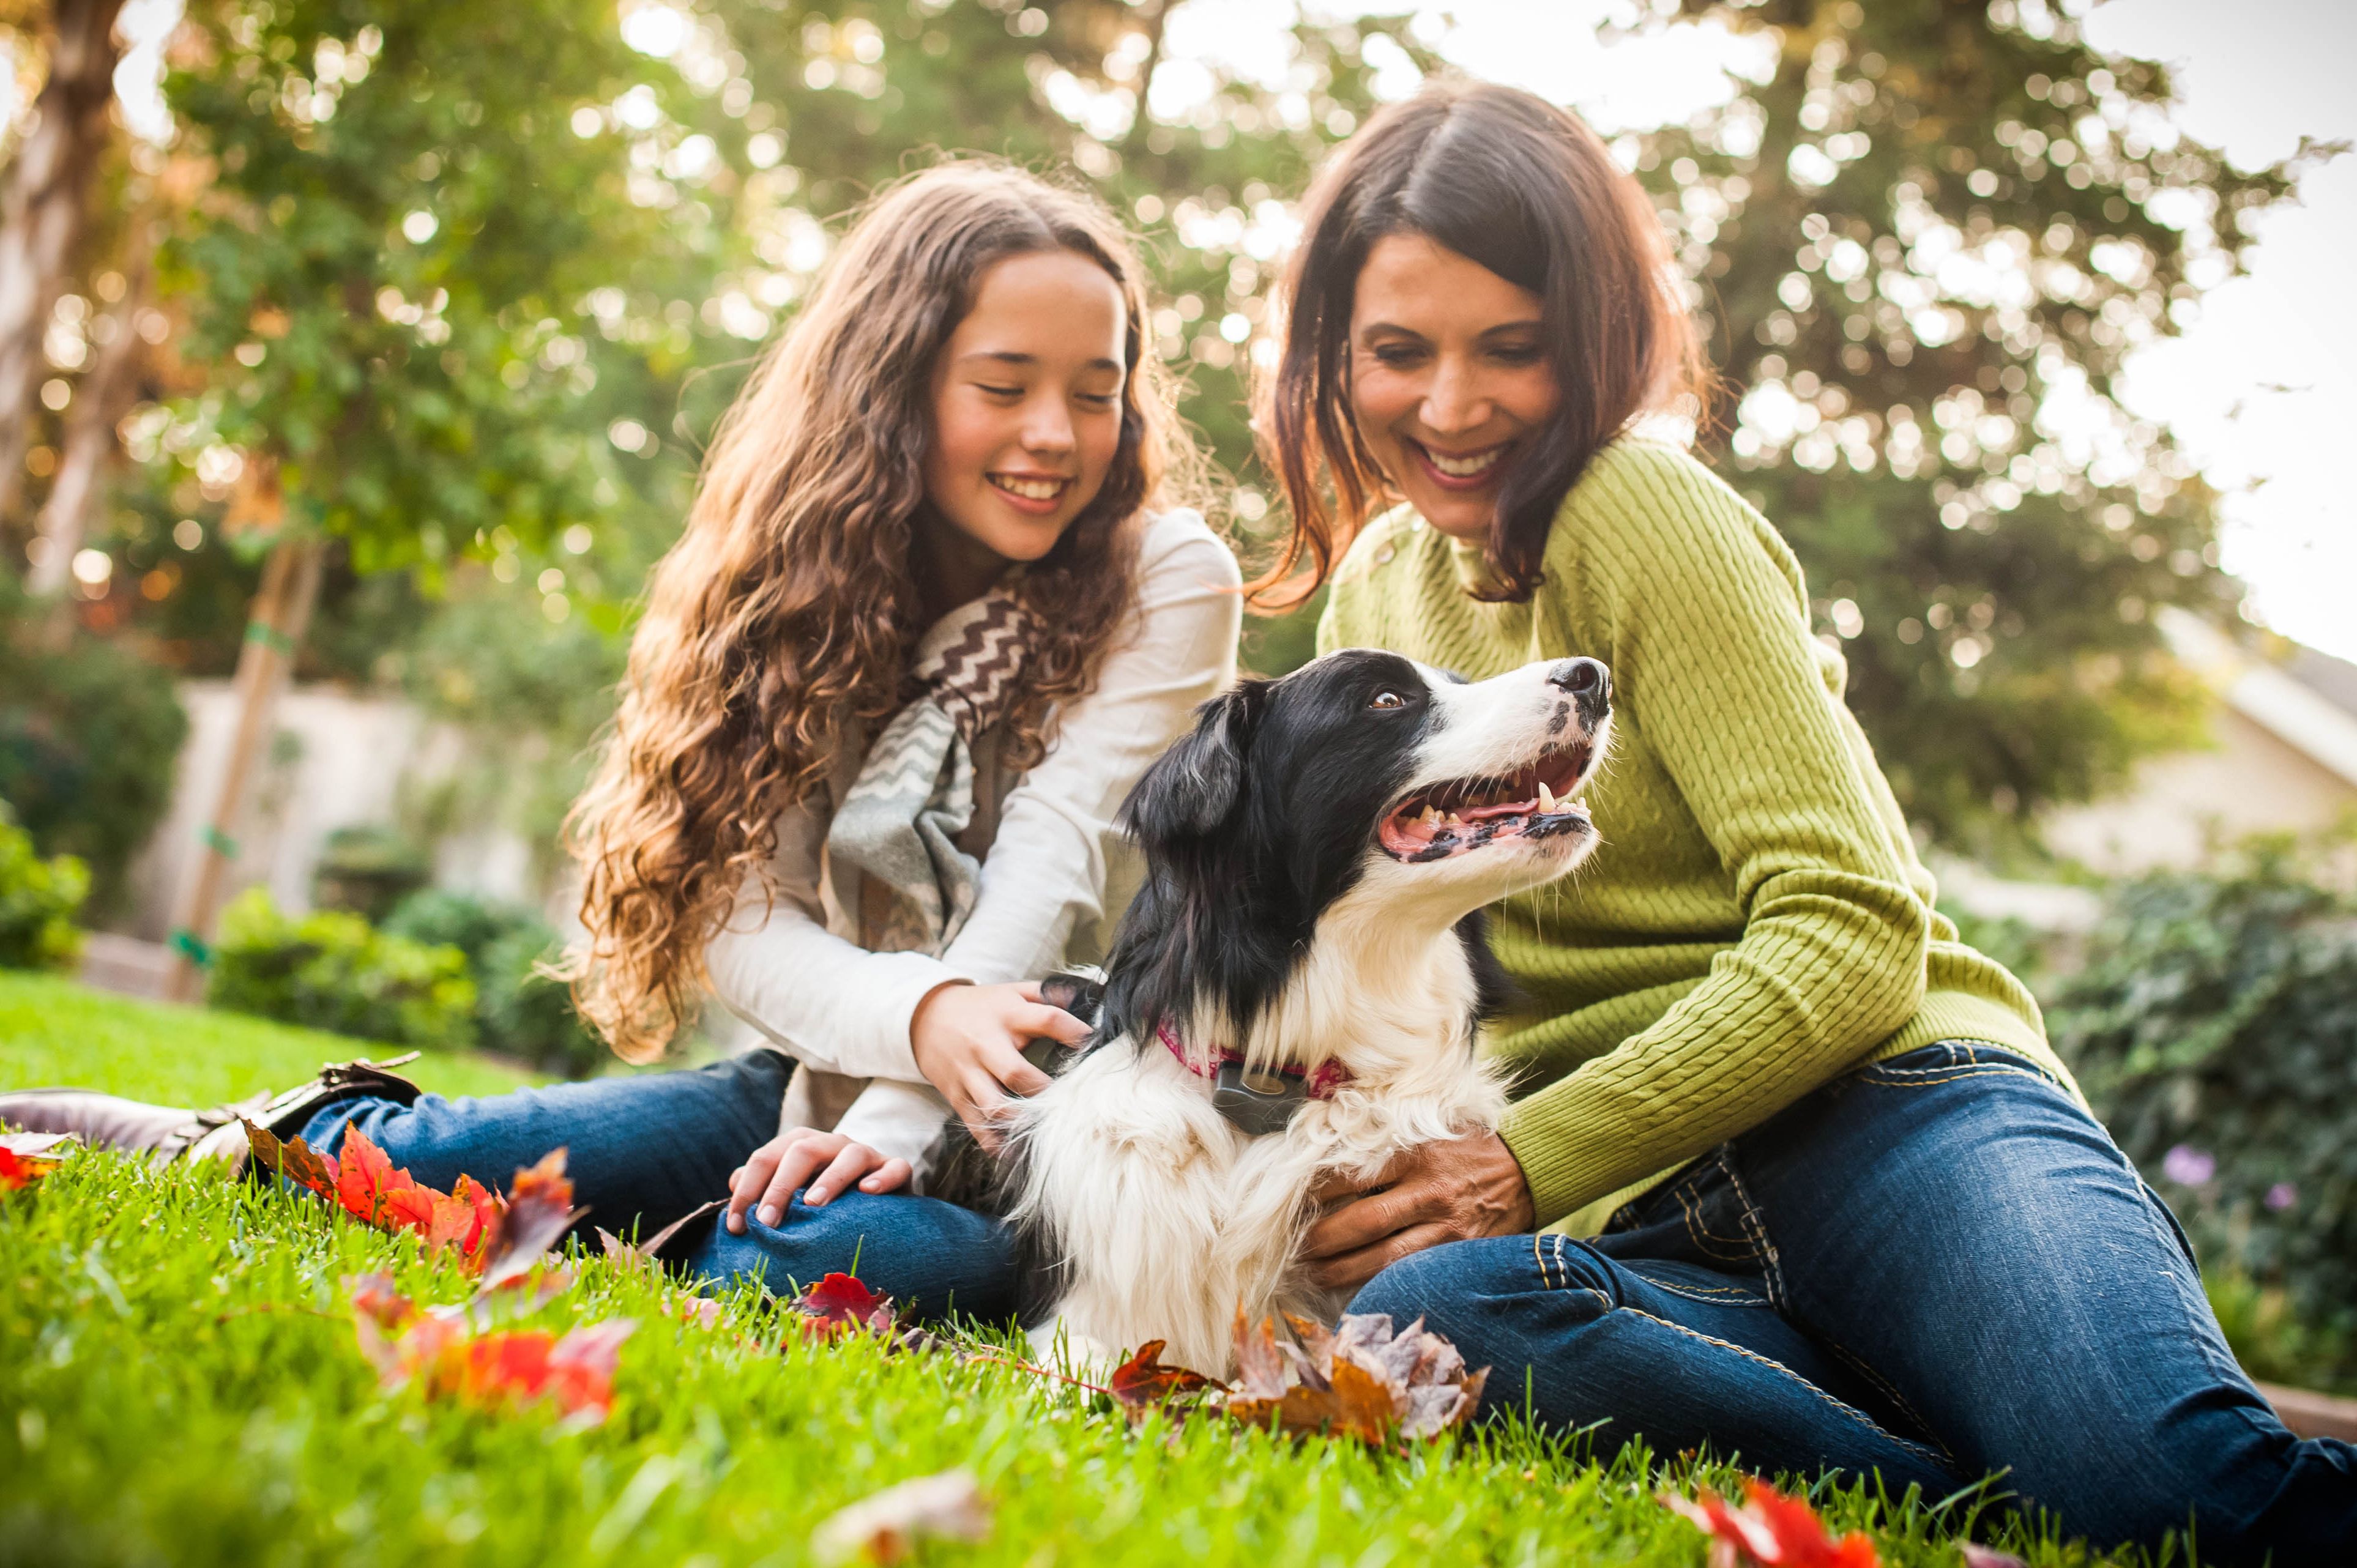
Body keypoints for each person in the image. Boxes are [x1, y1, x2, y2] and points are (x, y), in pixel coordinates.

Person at [1256, 80, 2353, 1563]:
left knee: (2182, 1504)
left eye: (1509, 351)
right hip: (1630, 1219)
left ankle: (2060, 1467)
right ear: (1335, 353)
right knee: (1435, 1320)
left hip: (1897, 1122)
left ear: (1585, 345)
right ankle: (1969, 1489)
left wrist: (1525, 1160)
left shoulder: (1643, 509)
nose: (1451, 407)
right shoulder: (1376, 596)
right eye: (1399, 353)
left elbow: (1855, 927)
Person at [2, 162, 1241, 1323]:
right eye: (1004, 385)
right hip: (815, 1082)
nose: (1060, 436)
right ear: (899, 386)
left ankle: (692, 1232)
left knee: (865, 1255)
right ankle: (205, 1139)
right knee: (449, 1165)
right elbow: (740, 923)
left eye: (1098, 390)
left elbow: (1056, 852)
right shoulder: (801, 590)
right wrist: (917, 1018)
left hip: (1064, 1130)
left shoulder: (1168, 578)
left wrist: (912, 1105)